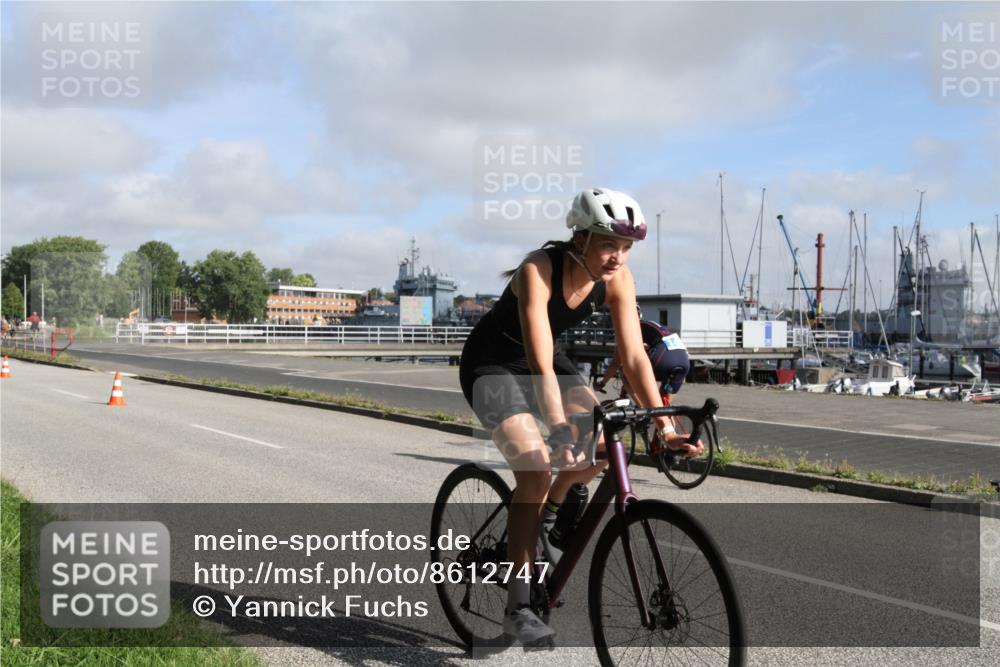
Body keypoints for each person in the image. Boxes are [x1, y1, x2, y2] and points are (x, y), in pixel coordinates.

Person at [458, 187, 703, 643]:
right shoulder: (538, 270)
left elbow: (633, 357)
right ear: (580, 239)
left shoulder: (619, 279)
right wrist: (556, 426)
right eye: (609, 244)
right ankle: (519, 605)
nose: (618, 257)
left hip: (551, 362)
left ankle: (547, 519)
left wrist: (665, 427)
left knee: (603, 442)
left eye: (626, 248)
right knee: (536, 469)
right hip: (494, 365)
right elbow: (539, 360)